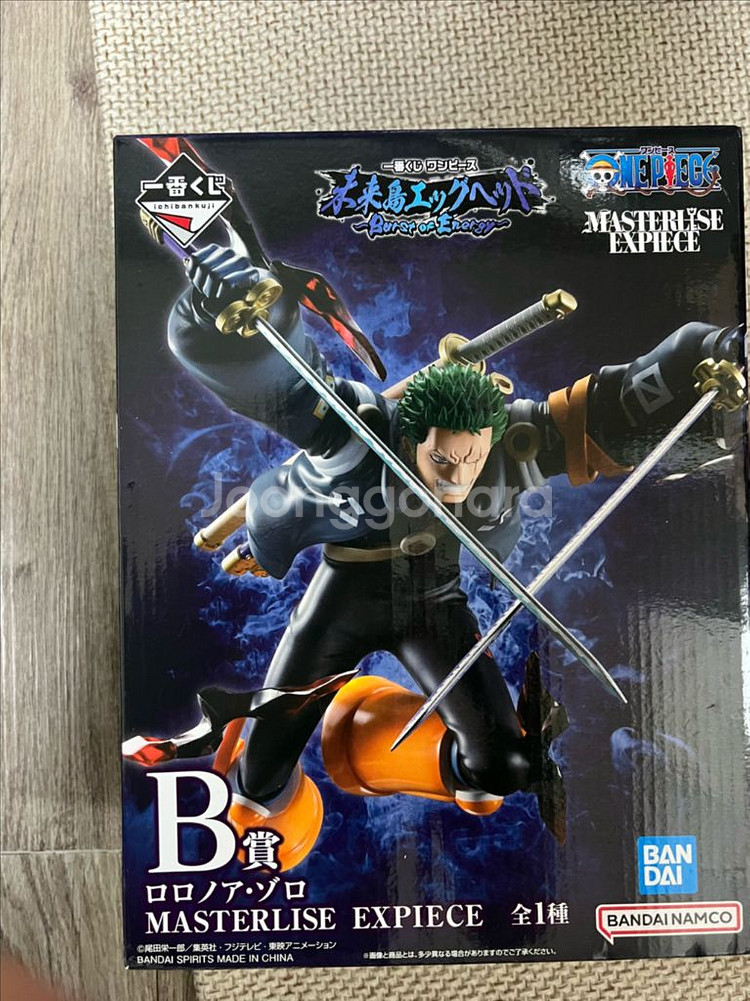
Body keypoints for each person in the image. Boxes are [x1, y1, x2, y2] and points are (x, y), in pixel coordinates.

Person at [163, 244, 741, 870]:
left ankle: (363, 735)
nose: (457, 478)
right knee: (256, 785)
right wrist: (234, 322)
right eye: (441, 459)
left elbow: (602, 415)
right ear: (413, 436)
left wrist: (696, 368)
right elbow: (285, 387)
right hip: (343, 598)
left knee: (498, 772)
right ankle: (298, 768)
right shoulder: (359, 432)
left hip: (432, 602)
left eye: (471, 459)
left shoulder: (506, 446)